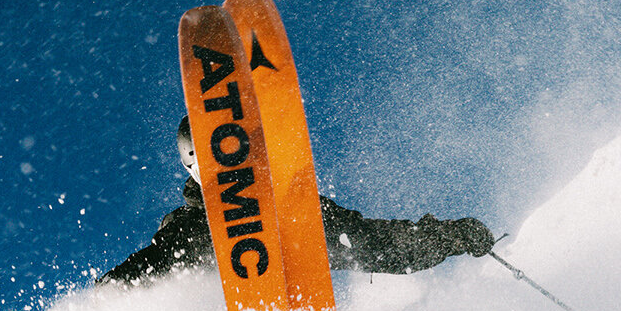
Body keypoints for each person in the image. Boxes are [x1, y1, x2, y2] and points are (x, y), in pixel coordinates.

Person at [97, 117, 495, 285]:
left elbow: (377, 245)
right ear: (195, 167)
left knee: (337, 237)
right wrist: (108, 299)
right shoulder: (190, 226)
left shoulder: (298, 212)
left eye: (239, 153)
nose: (232, 168)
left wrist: (450, 236)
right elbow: (158, 261)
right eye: (217, 159)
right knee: (192, 243)